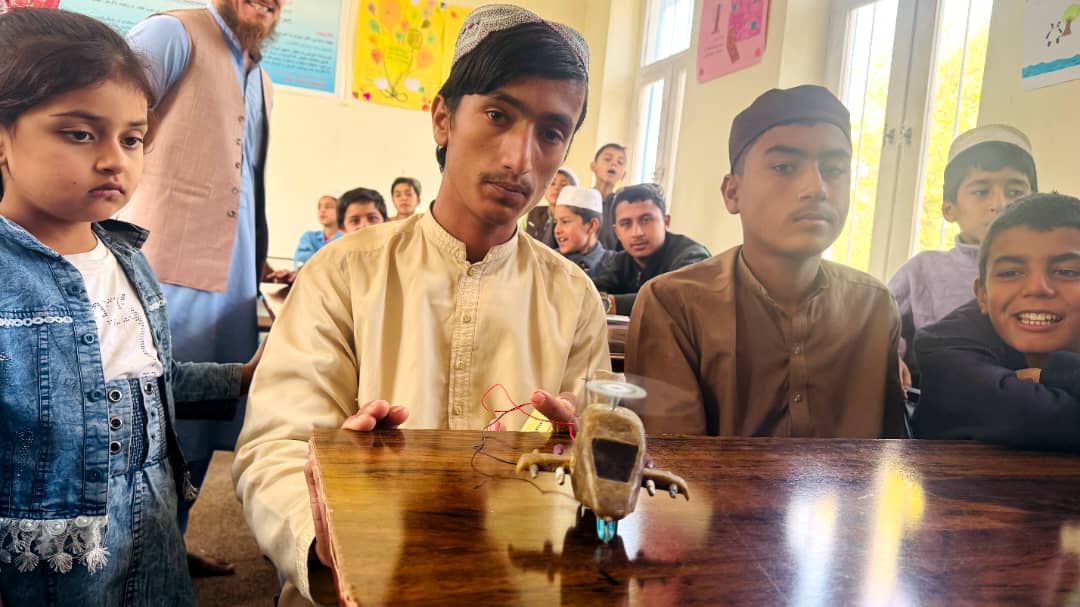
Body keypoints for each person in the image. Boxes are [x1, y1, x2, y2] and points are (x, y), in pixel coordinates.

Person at [233, 6, 608, 606]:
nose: (520, 158)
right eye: (498, 115)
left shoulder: (573, 298)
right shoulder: (344, 271)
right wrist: (327, 531)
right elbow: (275, 447)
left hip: (515, 583)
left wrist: (578, 462)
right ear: (442, 118)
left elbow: (596, 463)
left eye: (551, 132)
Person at [0, 9, 260, 604]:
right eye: (79, 134)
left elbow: (151, 381)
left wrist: (240, 377)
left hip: (155, 534)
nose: (115, 159)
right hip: (53, 563)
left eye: (132, 138)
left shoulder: (130, 262)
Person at [625, 85, 905, 438]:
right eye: (784, 167)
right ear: (732, 192)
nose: (816, 188)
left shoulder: (874, 308)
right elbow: (672, 462)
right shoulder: (674, 305)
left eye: (834, 170)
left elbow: (891, 456)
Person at [120, 0, 280, 574]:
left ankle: (171, 544)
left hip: (233, 284)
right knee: (149, 416)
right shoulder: (172, 34)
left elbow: (244, 179)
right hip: (161, 268)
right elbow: (107, 126)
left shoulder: (262, 79)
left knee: (207, 417)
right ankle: (129, 559)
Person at [912, 193, 1080, 452]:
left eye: (1067, 271)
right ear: (982, 295)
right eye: (1010, 273)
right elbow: (1027, 419)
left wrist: (1049, 374)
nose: (1037, 288)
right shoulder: (943, 344)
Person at [889, 124, 1037, 386]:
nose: (1001, 204)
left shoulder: (1051, 275)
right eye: (981, 191)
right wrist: (890, 359)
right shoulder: (923, 270)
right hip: (941, 400)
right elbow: (878, 329)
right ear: (950, 209)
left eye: (1015, 192)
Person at [592, 183, 710, 315]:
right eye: (626, 224)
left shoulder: (691, 255)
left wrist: (609, 304)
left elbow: (676, 297)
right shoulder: (621, 261)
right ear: (617, 232)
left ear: (666, 222)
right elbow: (590, 292)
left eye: (646, 220)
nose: (637, 233)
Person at [552, 185, 612, 278]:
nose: (557, 230)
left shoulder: (614, 264)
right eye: (556, 222)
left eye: (565, 221)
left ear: (592, 226)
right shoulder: (549, 260)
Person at [524, 166, 576, 246]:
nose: (556, 188)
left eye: (563, 185)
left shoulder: (576, 219)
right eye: (552, 183)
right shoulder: (533, 212)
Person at [591, 143, 626, 251]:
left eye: (620, 162)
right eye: (607, 159)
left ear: (623, 174)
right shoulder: (580, 200)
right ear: (593, 166)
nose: (614, 164)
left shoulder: (623, 207)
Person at [293, 195, 341, 267]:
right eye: (319, 207)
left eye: (328, 207)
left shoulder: (346, 238)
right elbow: (301, 263)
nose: (322, 210)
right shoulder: (308, 237)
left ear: (340, 212)